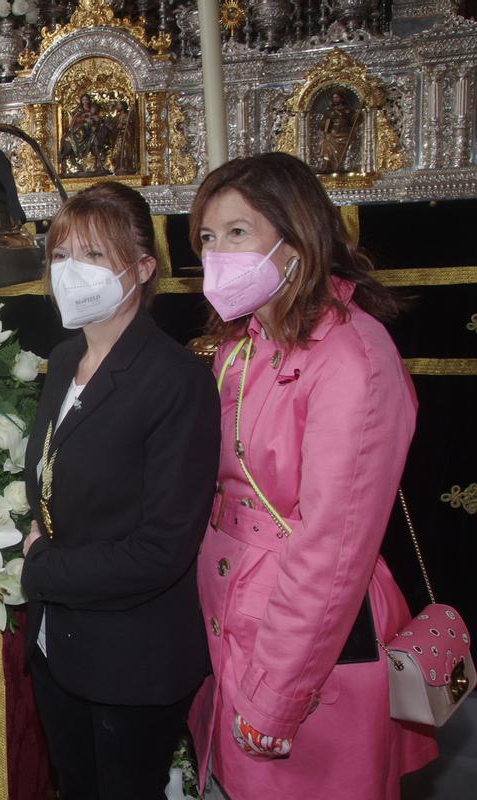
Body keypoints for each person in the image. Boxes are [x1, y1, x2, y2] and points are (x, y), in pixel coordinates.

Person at [187, 152, 438, 799]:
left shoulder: (354, 355)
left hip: (305, 644)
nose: (218, 253)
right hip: (237, 622)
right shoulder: (245, 344)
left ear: (297, 238)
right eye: (207, 238)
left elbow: (330, 549)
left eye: (237, 233)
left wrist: (275, 695)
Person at [20, 182, 220, 799]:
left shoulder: (175, 380)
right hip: (59, 642)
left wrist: (40, 567)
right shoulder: (63, 359)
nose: (70, 272)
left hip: (131, 656)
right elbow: (55, 475)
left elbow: (163, 548)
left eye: (94, 256)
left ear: (143, 268)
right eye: (60, 255)